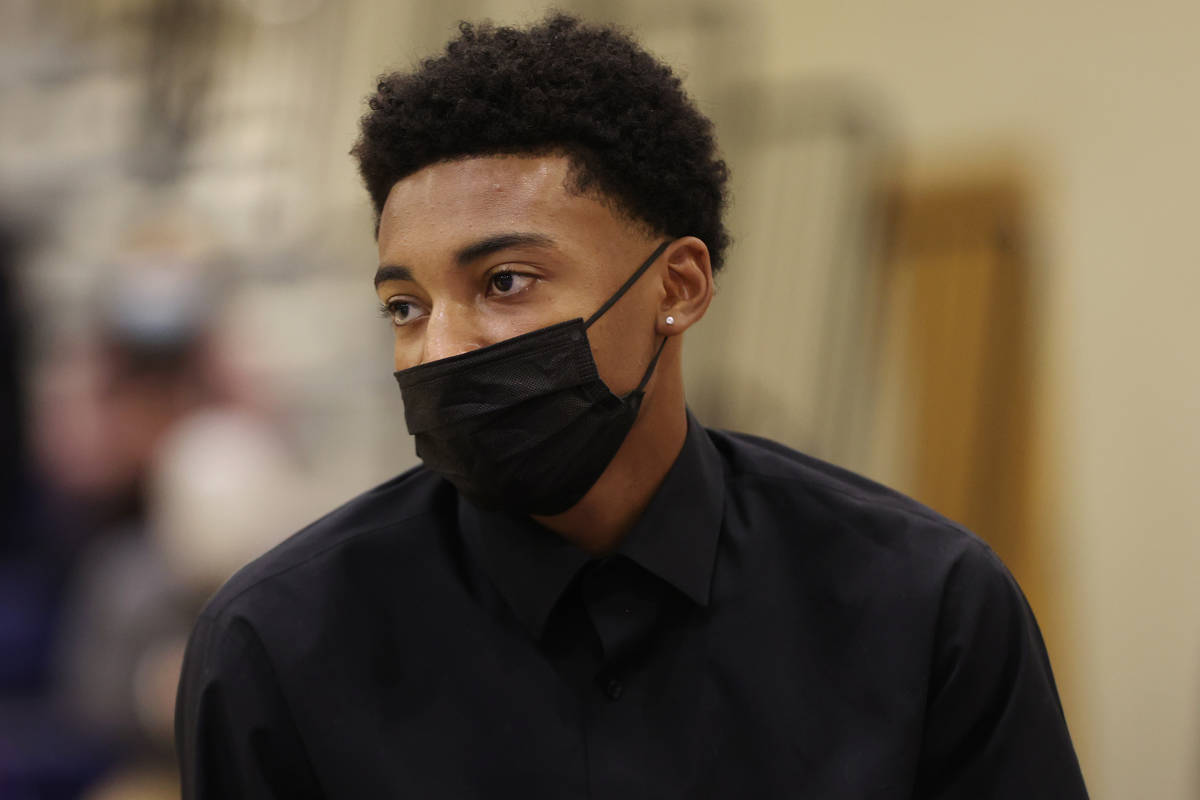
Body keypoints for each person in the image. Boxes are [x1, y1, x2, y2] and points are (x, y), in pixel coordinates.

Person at [175, 14, 1088, 799]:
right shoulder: (276, 647)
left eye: (505, 281)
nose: (440, 348)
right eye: (404, 307)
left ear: (679, 286)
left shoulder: (928, 608)